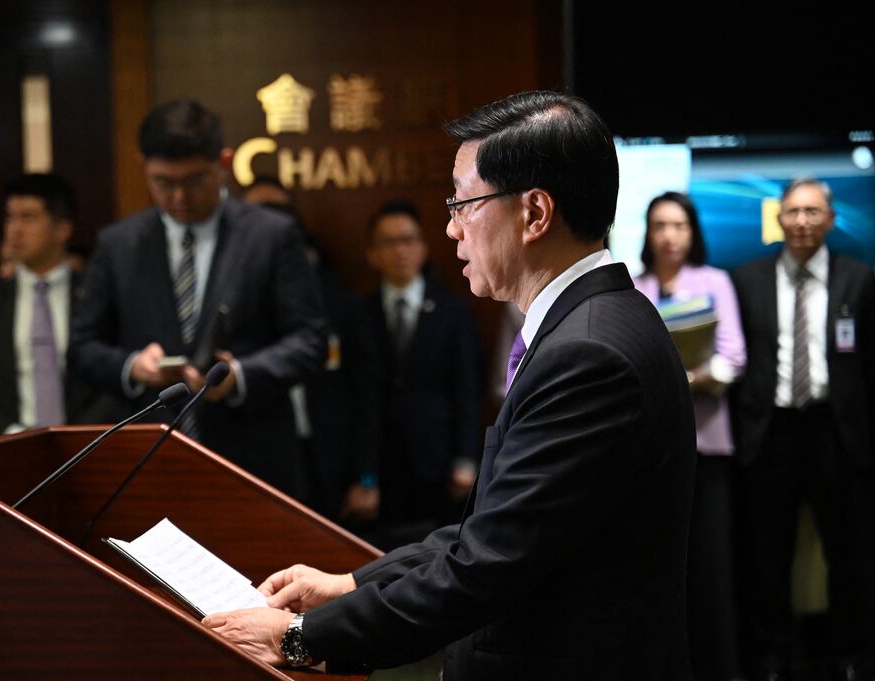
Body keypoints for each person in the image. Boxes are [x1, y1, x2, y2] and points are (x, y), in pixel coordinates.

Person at [203, 90, 697, 680]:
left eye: (464, 203)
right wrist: (352, 583)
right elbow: (490, 527)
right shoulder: (592, 323)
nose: (450, 228)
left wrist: (298, 637)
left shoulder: (588, 354)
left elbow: (486, 565)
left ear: (535, 213)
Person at [68, 99, 327, 499]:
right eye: (163, 182)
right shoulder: (117, 244)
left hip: (252, 460)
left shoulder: (271, 235)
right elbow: (82, 347)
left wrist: (239, 376)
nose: (179, 198)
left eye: (194, 180)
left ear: (223, 162)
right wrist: (133, 366)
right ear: (143, 166)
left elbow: (310, 340)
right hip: (149, 463)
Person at [732, 178, 875, 681]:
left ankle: (852, 655)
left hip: (836, 433)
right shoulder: (745, 279)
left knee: (850, 552)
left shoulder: (859, 279)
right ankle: (772, 656)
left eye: (813, 212)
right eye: (793, 212)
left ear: (831, 221)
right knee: (767, 553)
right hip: (770, 434)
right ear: (779, 218)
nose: (802, 221)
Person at [633, 191, 746, 681]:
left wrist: (686, 378)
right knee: (658, 570)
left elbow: (733, 357)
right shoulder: (634, 287)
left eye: (678, 225)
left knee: (712, 570)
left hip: (708, 445)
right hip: (648, 454)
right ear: (647, 232)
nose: (668, 235)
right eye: (659, 225)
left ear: (692, 232)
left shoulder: (715, 282)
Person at [241, 177, 382, 526]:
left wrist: (366, 476)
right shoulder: (237, 307)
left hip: (331, 462)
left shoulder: (339, 305)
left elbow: (367, 395)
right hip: (260, 463)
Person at [0, 173, 116, 439]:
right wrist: (13, 434)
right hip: (8, 448)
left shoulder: (95, 295)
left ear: (62, 229)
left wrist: (76, 436)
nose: (14, 230)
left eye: (28, 218)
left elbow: (114, 379)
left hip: (87, 445)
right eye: (10, 218)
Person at [363, 199, 482, 548]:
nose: (400, 250)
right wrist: (363, 474)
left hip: (439, 458)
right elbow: (359, 396)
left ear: (424, 248)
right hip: (383, 460)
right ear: (372, 253)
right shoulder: (359, 313)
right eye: (389, 242)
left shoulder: (453, 310)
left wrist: (465, 457)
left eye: (408, 240)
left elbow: (467, 389)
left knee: (438, 549)